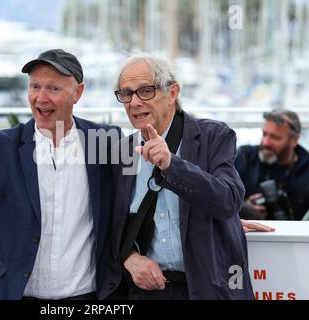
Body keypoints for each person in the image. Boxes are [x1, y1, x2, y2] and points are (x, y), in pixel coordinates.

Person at [0, 49, 121, 300]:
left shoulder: (104, 141)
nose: (40, 98)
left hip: (88, 295)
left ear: (78, 93)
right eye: (35, 86)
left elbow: (131, 205)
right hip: (19, 294)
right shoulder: (2, 146)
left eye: (53, 88)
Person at [108, 54, 256, 300]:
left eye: (145, 91)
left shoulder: (213, 136)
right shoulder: (121, 153)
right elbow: (108, 224)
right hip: (148, 291)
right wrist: (129, 258)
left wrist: (171, 165)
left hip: (211, 289)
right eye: (126, 94)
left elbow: (229, 200)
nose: (134, 102)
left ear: (173, 92)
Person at [235, 110, 309, 220]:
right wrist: (244, 208)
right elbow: (222, 196)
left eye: (275, 138)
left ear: (294, 140)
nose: (266, 142)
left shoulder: (308, 172)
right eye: (264, 134)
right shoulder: (244, 157)